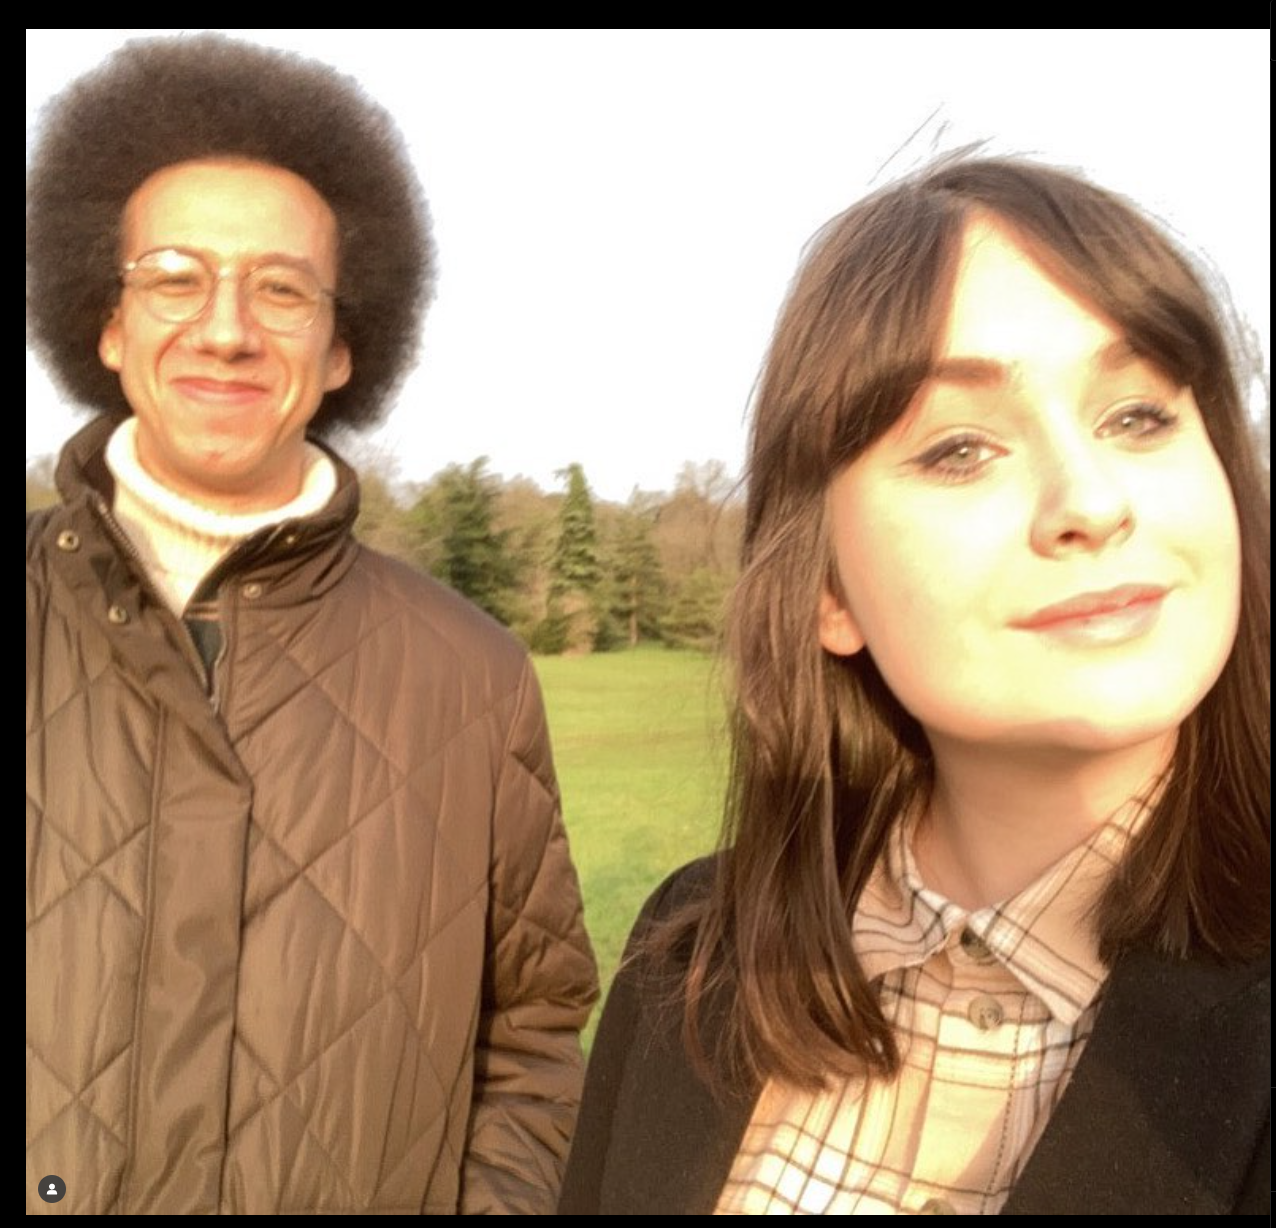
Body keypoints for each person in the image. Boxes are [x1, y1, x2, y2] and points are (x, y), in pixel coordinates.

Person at [559, 155, 1269, 1215]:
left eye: (1137, 417)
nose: (1090, 501)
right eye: (961, 449)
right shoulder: (695, 951)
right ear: (826, 588)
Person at [26, 34, 598, 1215]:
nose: (226, 328)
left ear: (343, 347)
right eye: (174, 277)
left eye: (281, 288)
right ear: (108, 322)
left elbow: (533, 1038)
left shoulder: (474, 677)